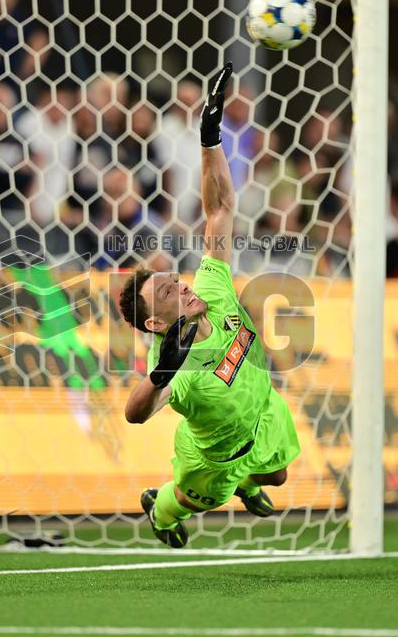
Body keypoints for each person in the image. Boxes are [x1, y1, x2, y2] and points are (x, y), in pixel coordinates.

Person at [117, 63, 301, 548]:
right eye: (166, 292)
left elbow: (219, 209)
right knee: (184, 498)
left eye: (173, 280)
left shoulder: (212, 288)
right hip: (213, 459)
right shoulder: (173, 368)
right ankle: (160, 510)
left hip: (262, 412)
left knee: (278, 477)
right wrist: (161, 374)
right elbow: (134, 414)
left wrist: (209, 135)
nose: (180, 286)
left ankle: (249, 482)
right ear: (157, 322)